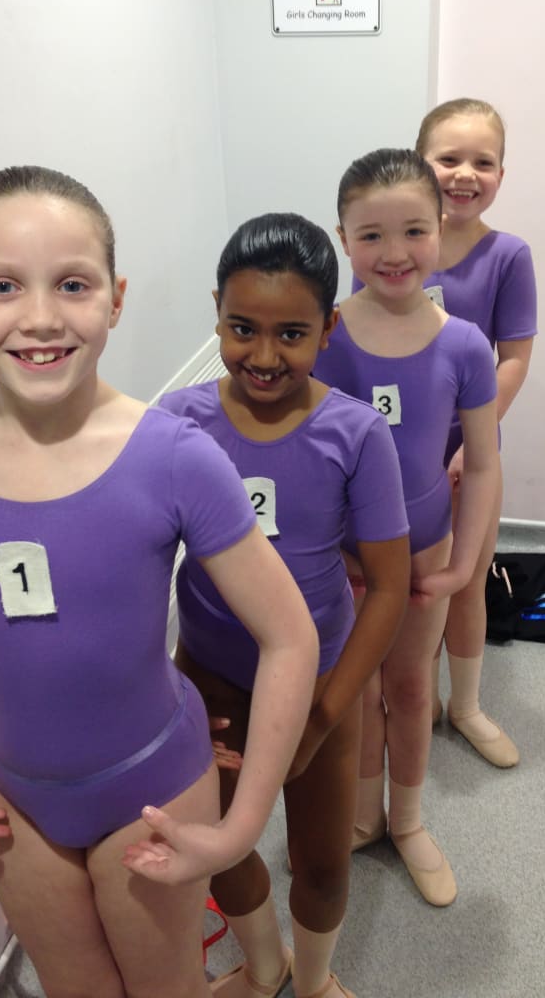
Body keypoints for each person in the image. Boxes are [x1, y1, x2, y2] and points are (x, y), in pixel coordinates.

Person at [0, 166, 319, 998]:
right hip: (17, 800)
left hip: (154, 790)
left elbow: (289, 636)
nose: (40, 317)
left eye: (72, 284)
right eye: (2, 285)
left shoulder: (174, 459)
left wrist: (242, 823)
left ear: (115, 299)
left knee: (165, 987)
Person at [160, 213, 410, 998]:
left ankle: (315, 978)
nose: (264, 357)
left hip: (320, 686)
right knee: (215, 843)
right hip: (210, 680)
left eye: (291, 334)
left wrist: (325, 716)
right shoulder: (176, 425)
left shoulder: (357, 433)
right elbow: (137, 565)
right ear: (217, 313)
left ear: (328, 328)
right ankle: (264, 966)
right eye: (243, 329)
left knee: (323, 861)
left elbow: (390, 585)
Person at [314, 148, 501, 907]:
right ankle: (364, 815)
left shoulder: (464, 345)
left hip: (425, 549)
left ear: (440, 229)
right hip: (345, 557)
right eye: (371, 236)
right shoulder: (323, 336)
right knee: (357, 692)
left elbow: (482, 464)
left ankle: (410, 819)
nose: (394, 253)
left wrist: (461, 566)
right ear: (343, 239)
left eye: (414, 231)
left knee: (412, 686)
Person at [416, 98, 537, 767]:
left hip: (472, 453)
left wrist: (474, 440)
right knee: (404, 583)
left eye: (482, 162)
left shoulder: (507, 256)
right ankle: (412, 694)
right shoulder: (397, 245)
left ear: (500, 175)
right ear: (419, 163)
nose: (465, 174)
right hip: (398, 453)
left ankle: (464, 705)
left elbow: (513, 358)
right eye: (449, 158)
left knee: (465, 581)